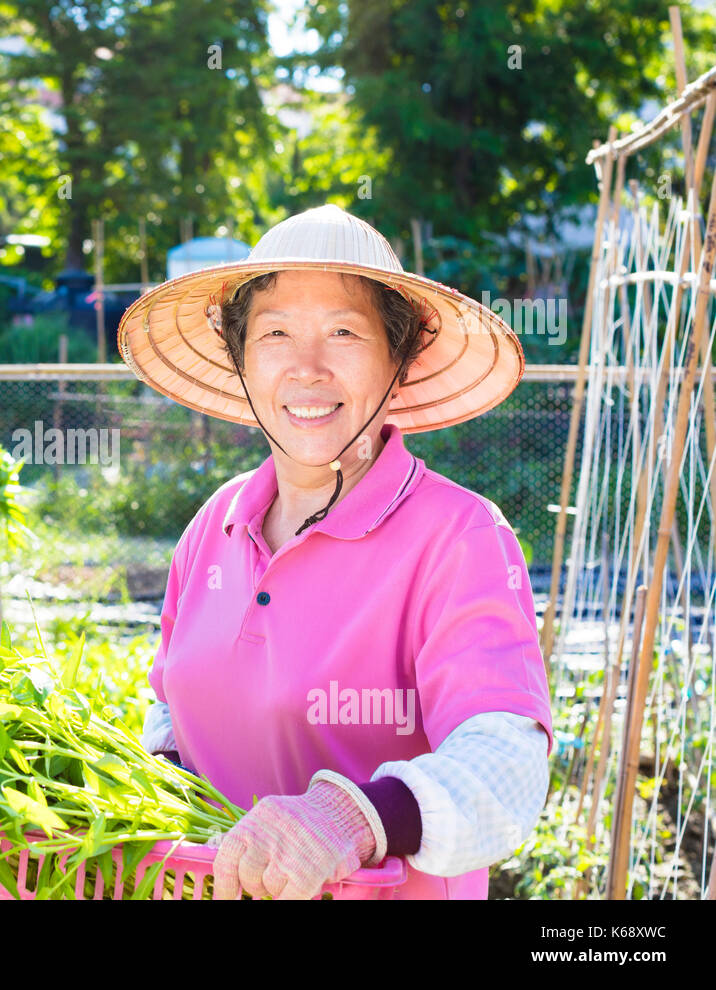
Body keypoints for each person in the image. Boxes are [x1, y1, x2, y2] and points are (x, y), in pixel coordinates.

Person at [118, 204, 553, 899]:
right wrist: (152, 779)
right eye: (275, 333)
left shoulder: (458, 536)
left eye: (344, 332)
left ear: (399, 359)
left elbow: (507, 763)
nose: (307, 368)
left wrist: (352, 815)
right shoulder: (214, 525)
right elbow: (170, 703)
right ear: (240, 358)